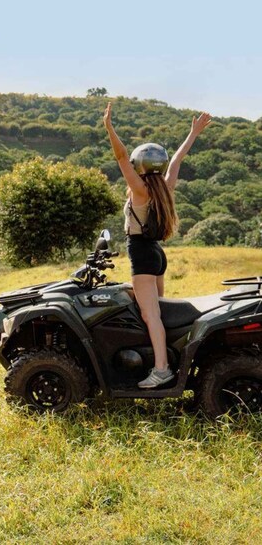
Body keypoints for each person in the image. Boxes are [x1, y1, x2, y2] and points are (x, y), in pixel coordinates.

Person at [103, 102, 211, 388]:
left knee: (150, 315)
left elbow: (121, 156)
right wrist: (193, 133)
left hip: (141, 254)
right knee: (157, 311)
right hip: (156, 255)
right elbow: (176, 160)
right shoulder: (164, 187)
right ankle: (167, 358)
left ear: (140, 167)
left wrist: (109, 128)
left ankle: (162, 369)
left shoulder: (139, 190)